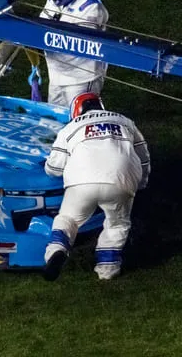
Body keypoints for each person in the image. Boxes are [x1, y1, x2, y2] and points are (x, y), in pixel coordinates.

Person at [42, 92, 150, 281]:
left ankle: (57, 249)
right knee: (118, 224)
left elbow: (54, 168)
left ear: (76, 111)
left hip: (82, 182)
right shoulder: (125, 122)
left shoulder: (71, 127)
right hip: (122, 180)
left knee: (68, 219)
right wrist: (140, 183)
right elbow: (143, 158)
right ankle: (107, 270)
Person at [39, 0, 109, 107]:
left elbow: (80, 41)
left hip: (81, 78)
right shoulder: (52, 1)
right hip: (56, 75)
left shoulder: (91, 7)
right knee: (53, 119)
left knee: (79, 121)